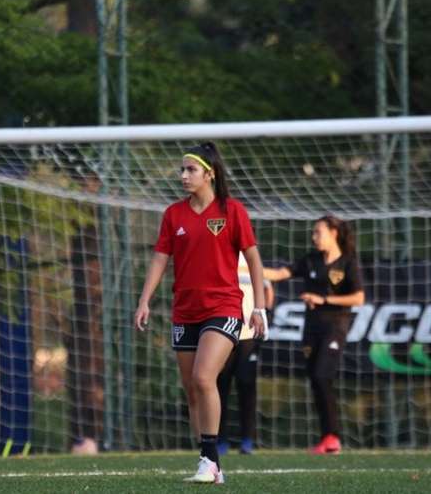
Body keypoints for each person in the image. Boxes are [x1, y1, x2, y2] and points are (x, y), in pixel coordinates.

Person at [134, 142, 267, 484]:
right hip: (185, 311)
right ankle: (209, 460)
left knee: (204, 378)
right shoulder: (173, 215)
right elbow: (161, 259)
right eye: (182, 170)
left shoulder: (233, 210)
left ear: (210, 173)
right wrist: (144, 300)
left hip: (223, 308)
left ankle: (210, 461)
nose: (183, 176)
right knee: (192, 391)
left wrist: (259, 308)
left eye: (190, 170)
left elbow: (252, 257)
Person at [263, 216, 364, 455]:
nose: (314, 237)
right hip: (310, 330)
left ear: (334, 233)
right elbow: (278, 274)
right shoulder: (310, 260)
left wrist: (324, 299)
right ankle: (328, 438)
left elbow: (358, 298)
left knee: (321, 376)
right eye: (313, 233)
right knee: (318, 382)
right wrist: (241, 264)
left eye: (318, 232)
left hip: (334, 327)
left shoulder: (348, 263)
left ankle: (332, 437)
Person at [216, 254, 274, 455]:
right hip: (223, 331)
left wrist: (265, 312)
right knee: (220, 385)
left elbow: (267, 288)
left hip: (248, 334)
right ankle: (219, 439)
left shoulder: (250, 257)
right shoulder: (219, 254)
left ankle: (247, 440)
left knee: (246, 384)